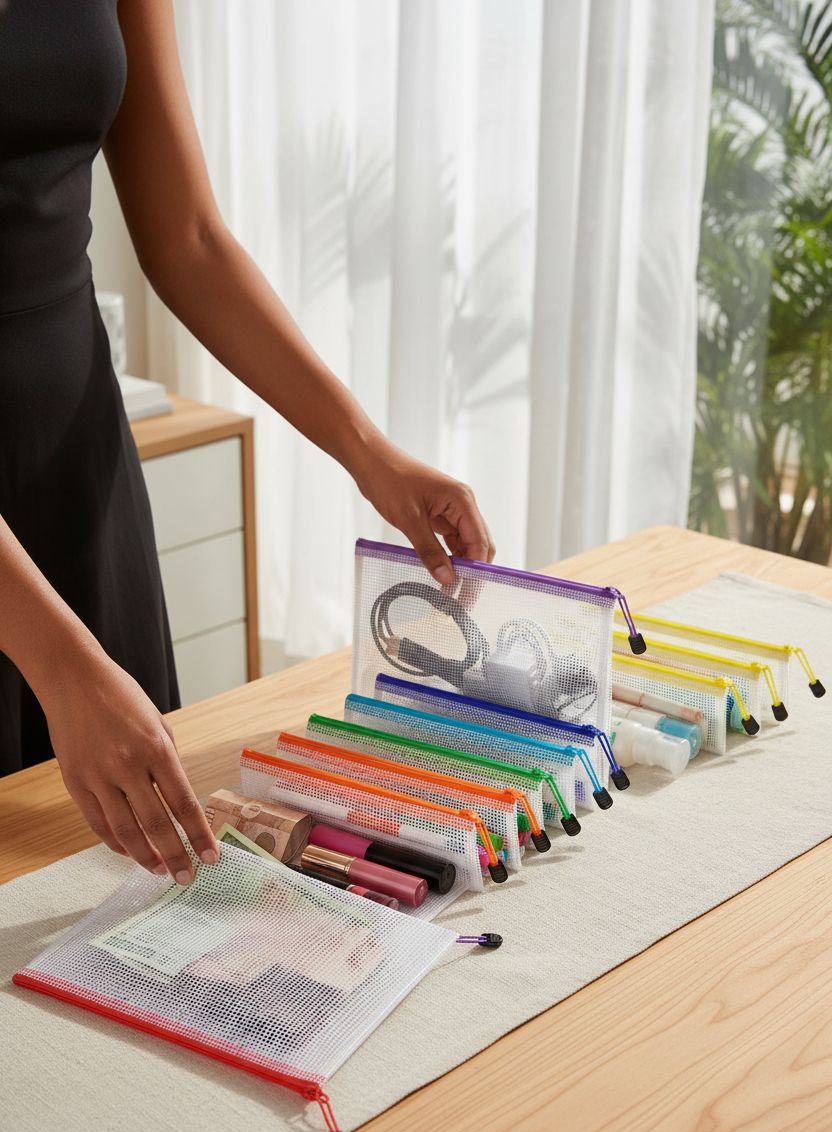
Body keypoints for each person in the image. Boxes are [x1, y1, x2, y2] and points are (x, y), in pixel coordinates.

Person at [0, 0, 494, 886]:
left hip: (79, 473)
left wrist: (368, 453)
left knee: (133, 893)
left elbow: (187, 236)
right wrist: (61, 666)